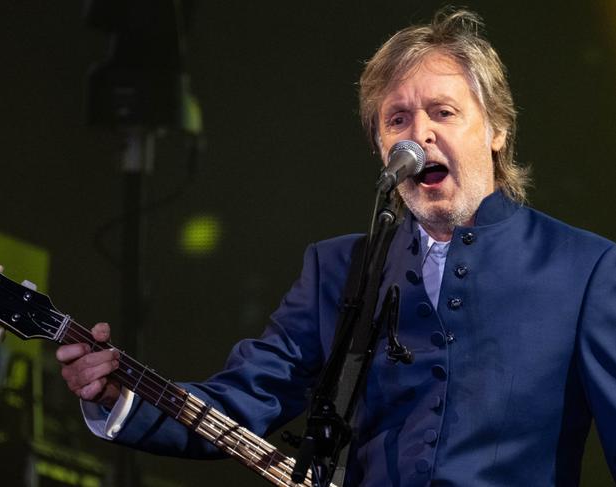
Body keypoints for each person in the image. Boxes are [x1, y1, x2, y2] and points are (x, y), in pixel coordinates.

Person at [56, 7, 616, 486]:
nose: (417, 134)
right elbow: (240, 403)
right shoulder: (340, 270)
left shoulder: (585, 269)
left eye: (443, 112)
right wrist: (119, 397)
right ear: (380, 148)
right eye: (396, 119)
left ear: (496, 130)